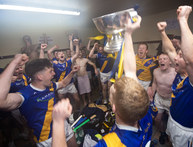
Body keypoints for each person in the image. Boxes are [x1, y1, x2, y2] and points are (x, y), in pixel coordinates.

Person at [52, 14, 154, 147]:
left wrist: (58, 122)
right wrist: (128, 34)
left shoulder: (110, 143)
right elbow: (130, 72)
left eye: (112, 94)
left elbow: (130, 73)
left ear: (114, 108)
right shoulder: (145, 114)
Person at [0, 54, 79, 147]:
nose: (54, 73)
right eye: (51, 71)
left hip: (64, 126)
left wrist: (72, 72)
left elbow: (63, 83)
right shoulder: (25, 94)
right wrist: (14, 62)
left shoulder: (51, 85)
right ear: (40, 76)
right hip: (47, 138)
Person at [157, 6, 193, 147]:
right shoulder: (181, 71)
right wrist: (162, 32)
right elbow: (169, 49)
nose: (175, 58)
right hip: (173, 120)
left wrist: (183, 19)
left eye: (180, 56)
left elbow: (191, 59)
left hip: (186, 131)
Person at [149, 53, 176, 144]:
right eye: (160, 59)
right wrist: (152, 95)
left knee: (172, 122)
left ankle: (171, 136)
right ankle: (162, 133)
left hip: (170, 100)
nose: (162, 61)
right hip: (159, 98)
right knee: (157, 119)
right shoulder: (156, 71)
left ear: (170, 62)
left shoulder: (175, 72)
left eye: (165, 59)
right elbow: (154, 83)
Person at [52, 38, 80, 110]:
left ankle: (77, 111)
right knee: (62, 102)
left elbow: (76, 54)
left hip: (70, 84)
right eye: (59, 54)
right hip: (61, 85)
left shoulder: (68, 62)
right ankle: (65, 114)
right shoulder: (55, 64)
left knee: (77, 99)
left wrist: (76, 45)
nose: (62, 54)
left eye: (63, 53)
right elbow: (48, 55)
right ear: (57, 57)